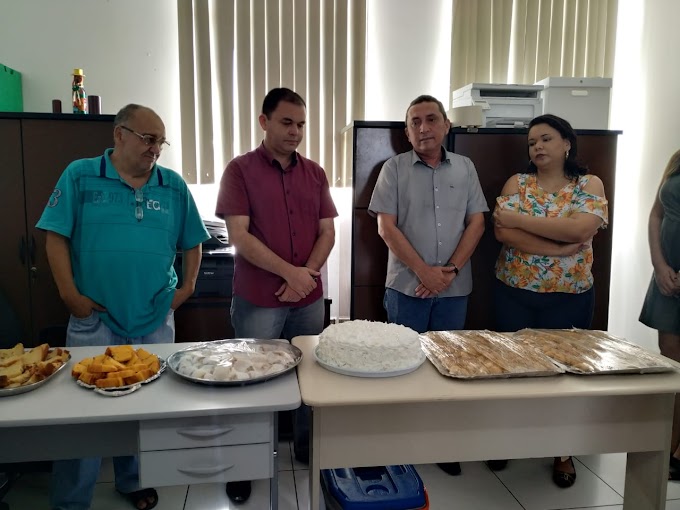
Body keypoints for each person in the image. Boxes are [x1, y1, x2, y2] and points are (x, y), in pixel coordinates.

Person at [36, 104, 209, 510]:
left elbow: (193, 241)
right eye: (148, 139)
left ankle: (133, 482)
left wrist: (186, 287)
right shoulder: (80, 175)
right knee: (81, 417)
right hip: (95, 318)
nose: (155, 149)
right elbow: (55, 237)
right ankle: (71, 500)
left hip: (152, 319)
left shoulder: (172, 186)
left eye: (160, 142)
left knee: (144, 410)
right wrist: (69, 296)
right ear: (119, 135)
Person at [215, 87, 337, 503]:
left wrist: (308, 276)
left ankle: (305, 448)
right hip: (259, 300)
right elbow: (239, 237)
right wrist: (292, 274)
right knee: (250, 381)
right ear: (264, 121)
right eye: (287, 122)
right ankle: (243, 462)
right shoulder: (240, 170)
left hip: (308, 299)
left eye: (301, 124)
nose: (296, 131)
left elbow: (327, 232)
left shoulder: (315, 173)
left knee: (309, 379)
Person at [368, 94, 488, 476]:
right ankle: (399, 442)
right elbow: (386, 227)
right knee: (401, 366)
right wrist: (424, 271)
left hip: (454, 289)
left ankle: (441, 442)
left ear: (446, 125)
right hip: (406, 288)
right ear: (406, 132)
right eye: (415, 122)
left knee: (449, 367)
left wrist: (448, 270)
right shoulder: (393, 169)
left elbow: (477, 223)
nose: (424, 128)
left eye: (431, 119)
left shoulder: (466, 168)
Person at [493, 113, 608, 488]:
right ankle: (505, 439)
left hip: (570, 297)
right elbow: (503, 233)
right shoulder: (518, 183)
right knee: (510, 371)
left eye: (545, 139)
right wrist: (560, 250)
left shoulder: (588, 184)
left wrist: (521, 220)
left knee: (566, 375)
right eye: (531, 142)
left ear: (566, 143)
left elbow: (581, 228)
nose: (537, 147)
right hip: (515, 293)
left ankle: (562, 451)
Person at [639, 149, 680, 480]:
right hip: (669, 276)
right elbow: (656, 214)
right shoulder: (678, 158)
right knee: (672, 359)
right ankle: (669, 441)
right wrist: (659, 264)